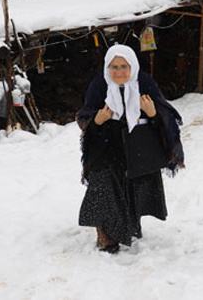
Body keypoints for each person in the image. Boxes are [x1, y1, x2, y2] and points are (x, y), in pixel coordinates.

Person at [76, 44, 184, 253]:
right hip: (106, 146)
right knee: (104, 186)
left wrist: (152, 113)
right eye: (114, 67)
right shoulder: (100, 85)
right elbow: (85, 116)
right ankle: (106, 235)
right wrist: (97, 120)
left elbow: (166, 116)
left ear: (132, 66)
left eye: (123, 66)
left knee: (134, 186)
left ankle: (130, 224)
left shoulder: (144, 82)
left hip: (137, 146)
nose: (118, 72)